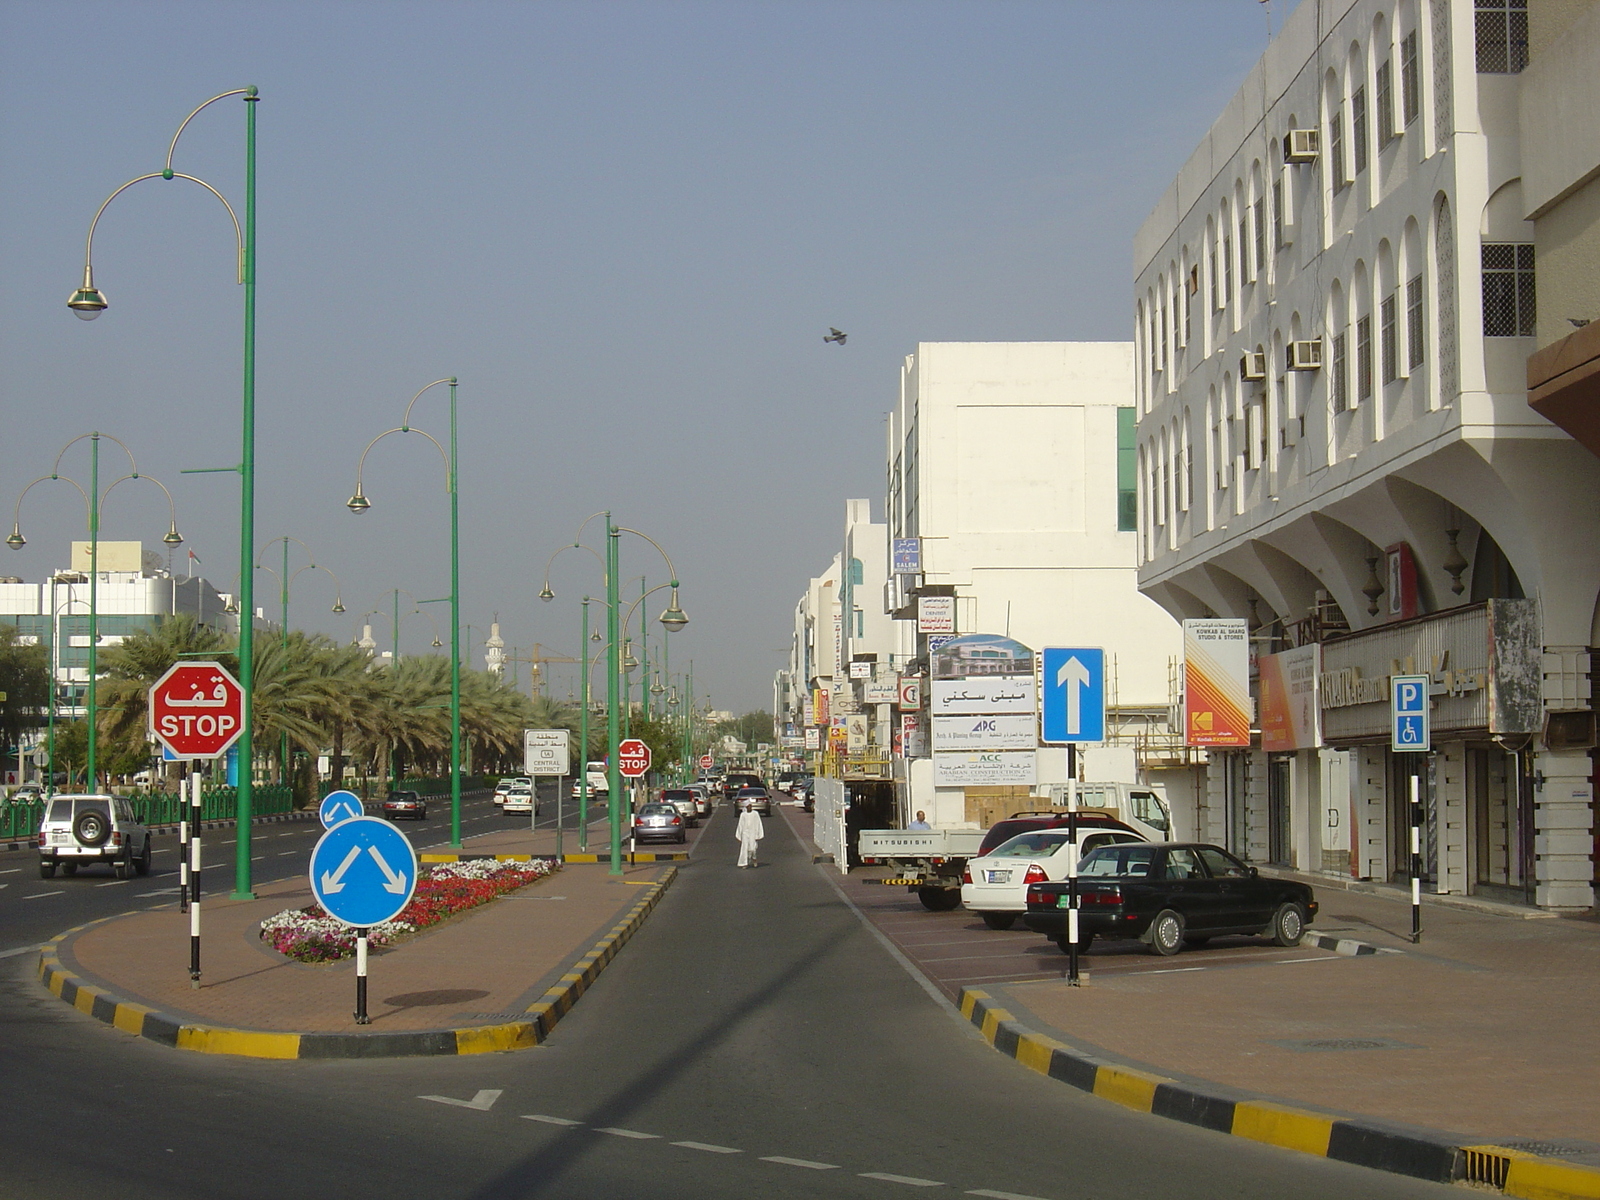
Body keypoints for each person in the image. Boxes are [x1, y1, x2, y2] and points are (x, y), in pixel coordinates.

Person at [735, 801, 765, 868]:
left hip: (753, 833)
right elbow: (740, 825)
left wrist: (758, 834)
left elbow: (758, 823)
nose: (749, 807)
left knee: (752, 848)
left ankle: (754, 858)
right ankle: (744, 863)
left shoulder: (755, 814)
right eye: (748, 806)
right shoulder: (743, 815)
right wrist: (740, 835)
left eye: (750, 806)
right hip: (745, 833)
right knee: (744, 848)